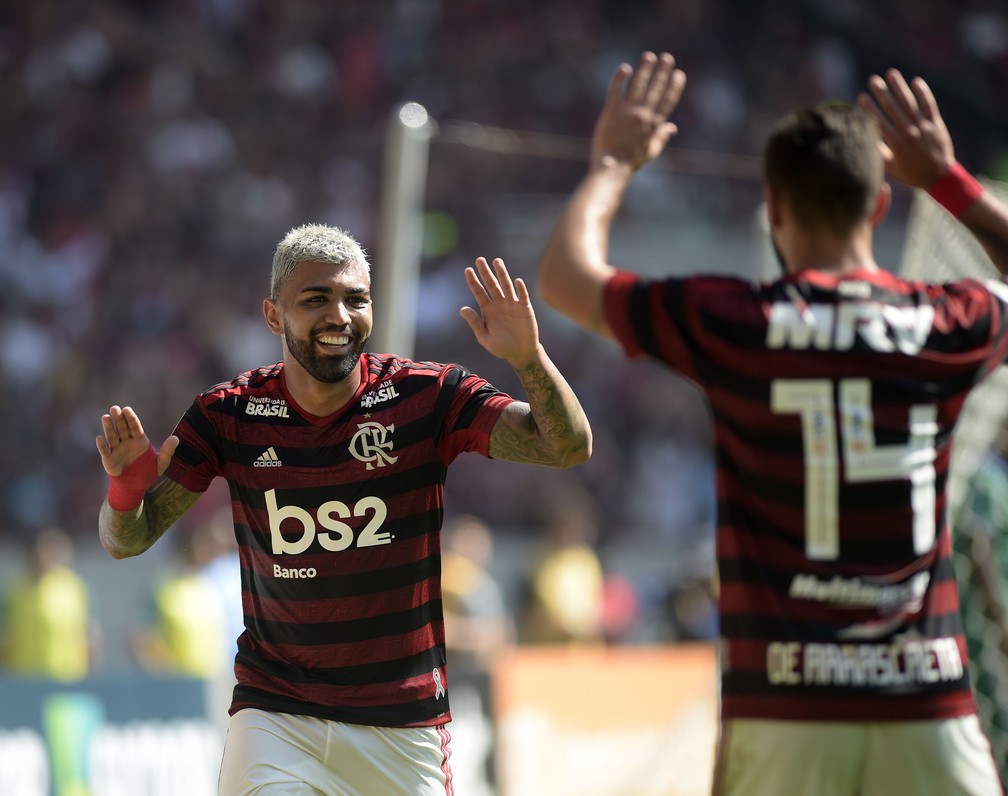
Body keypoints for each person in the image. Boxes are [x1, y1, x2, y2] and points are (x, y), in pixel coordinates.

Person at [537, 50, 1008, 796]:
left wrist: (614, 163)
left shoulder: (736, 320)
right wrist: (948, 180)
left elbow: (565, 277)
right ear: (881, 206)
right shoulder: (942, 322)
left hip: (784, 706)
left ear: (775, 207)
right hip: (926, 698)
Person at [95, 223, 592, 796]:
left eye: (356, 298)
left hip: (402, 723)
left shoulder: (426, 396)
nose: (339, 315)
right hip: (277, 714)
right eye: (316, 299)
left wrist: (528, 358)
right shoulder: (227, 414)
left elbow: (567, 447)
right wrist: (125, 494)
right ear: (274, 315)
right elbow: (126, 540)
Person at [0, 527, 101, 681]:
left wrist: (91, 680)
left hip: (68, 680)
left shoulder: (76, 588)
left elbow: (91, 637)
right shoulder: (15, 590)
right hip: (24, 681)